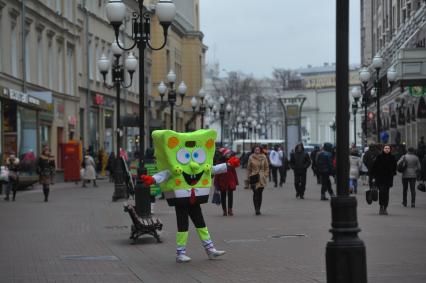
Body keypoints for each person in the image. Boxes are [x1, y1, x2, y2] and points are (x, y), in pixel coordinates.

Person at [139, 129, 240, 263]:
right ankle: (180, 253)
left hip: (195, 198)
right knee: (183, 225)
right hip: (181, 199)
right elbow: (164, 174)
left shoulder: (200, 166)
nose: (192, 163)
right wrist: (152, 179)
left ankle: (210, 250)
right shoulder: (176, 167)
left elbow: (213, 169)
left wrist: (228, 165)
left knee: (201, 223)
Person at [371, 144, 397, 215]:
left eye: (388, 148)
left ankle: (385, 207)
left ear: (390, 149)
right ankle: (381, 207)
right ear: (383, 149)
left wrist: (393, 173)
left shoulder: (392, 158)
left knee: (386, 193)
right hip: (380, 178)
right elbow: (374, 167)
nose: (387, 149)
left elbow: (395, 167)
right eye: (386, 148)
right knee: (382, 192)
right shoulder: (379, 157)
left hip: (388, 178)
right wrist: (373, 177)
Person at [214, 148, 239, 216]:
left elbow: (234, 172)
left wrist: (236, 181)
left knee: (230, 195)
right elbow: (217, 174)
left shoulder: (230, 161)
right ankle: (224, 210)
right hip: (222, 181)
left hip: (230, 180)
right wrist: (216, 183)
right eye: (227, 154)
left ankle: (230, 209)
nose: (228, 155)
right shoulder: (219, 162)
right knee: (223, 196)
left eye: (229, 154)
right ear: (223, 155)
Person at [247, 145, 269, 215]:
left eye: (258, 149)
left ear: (260, 150)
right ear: (253, 150)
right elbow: (248, 168)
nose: (257, 151)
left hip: (262, 178)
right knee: (255, 193)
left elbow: (266, 167)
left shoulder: (264, 157)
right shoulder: (251, 157)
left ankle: (259, 208)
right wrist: (248, 177)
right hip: (254, 177)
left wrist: (265, 175)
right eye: (256, 149)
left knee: (260, 193)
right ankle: (256, 209)